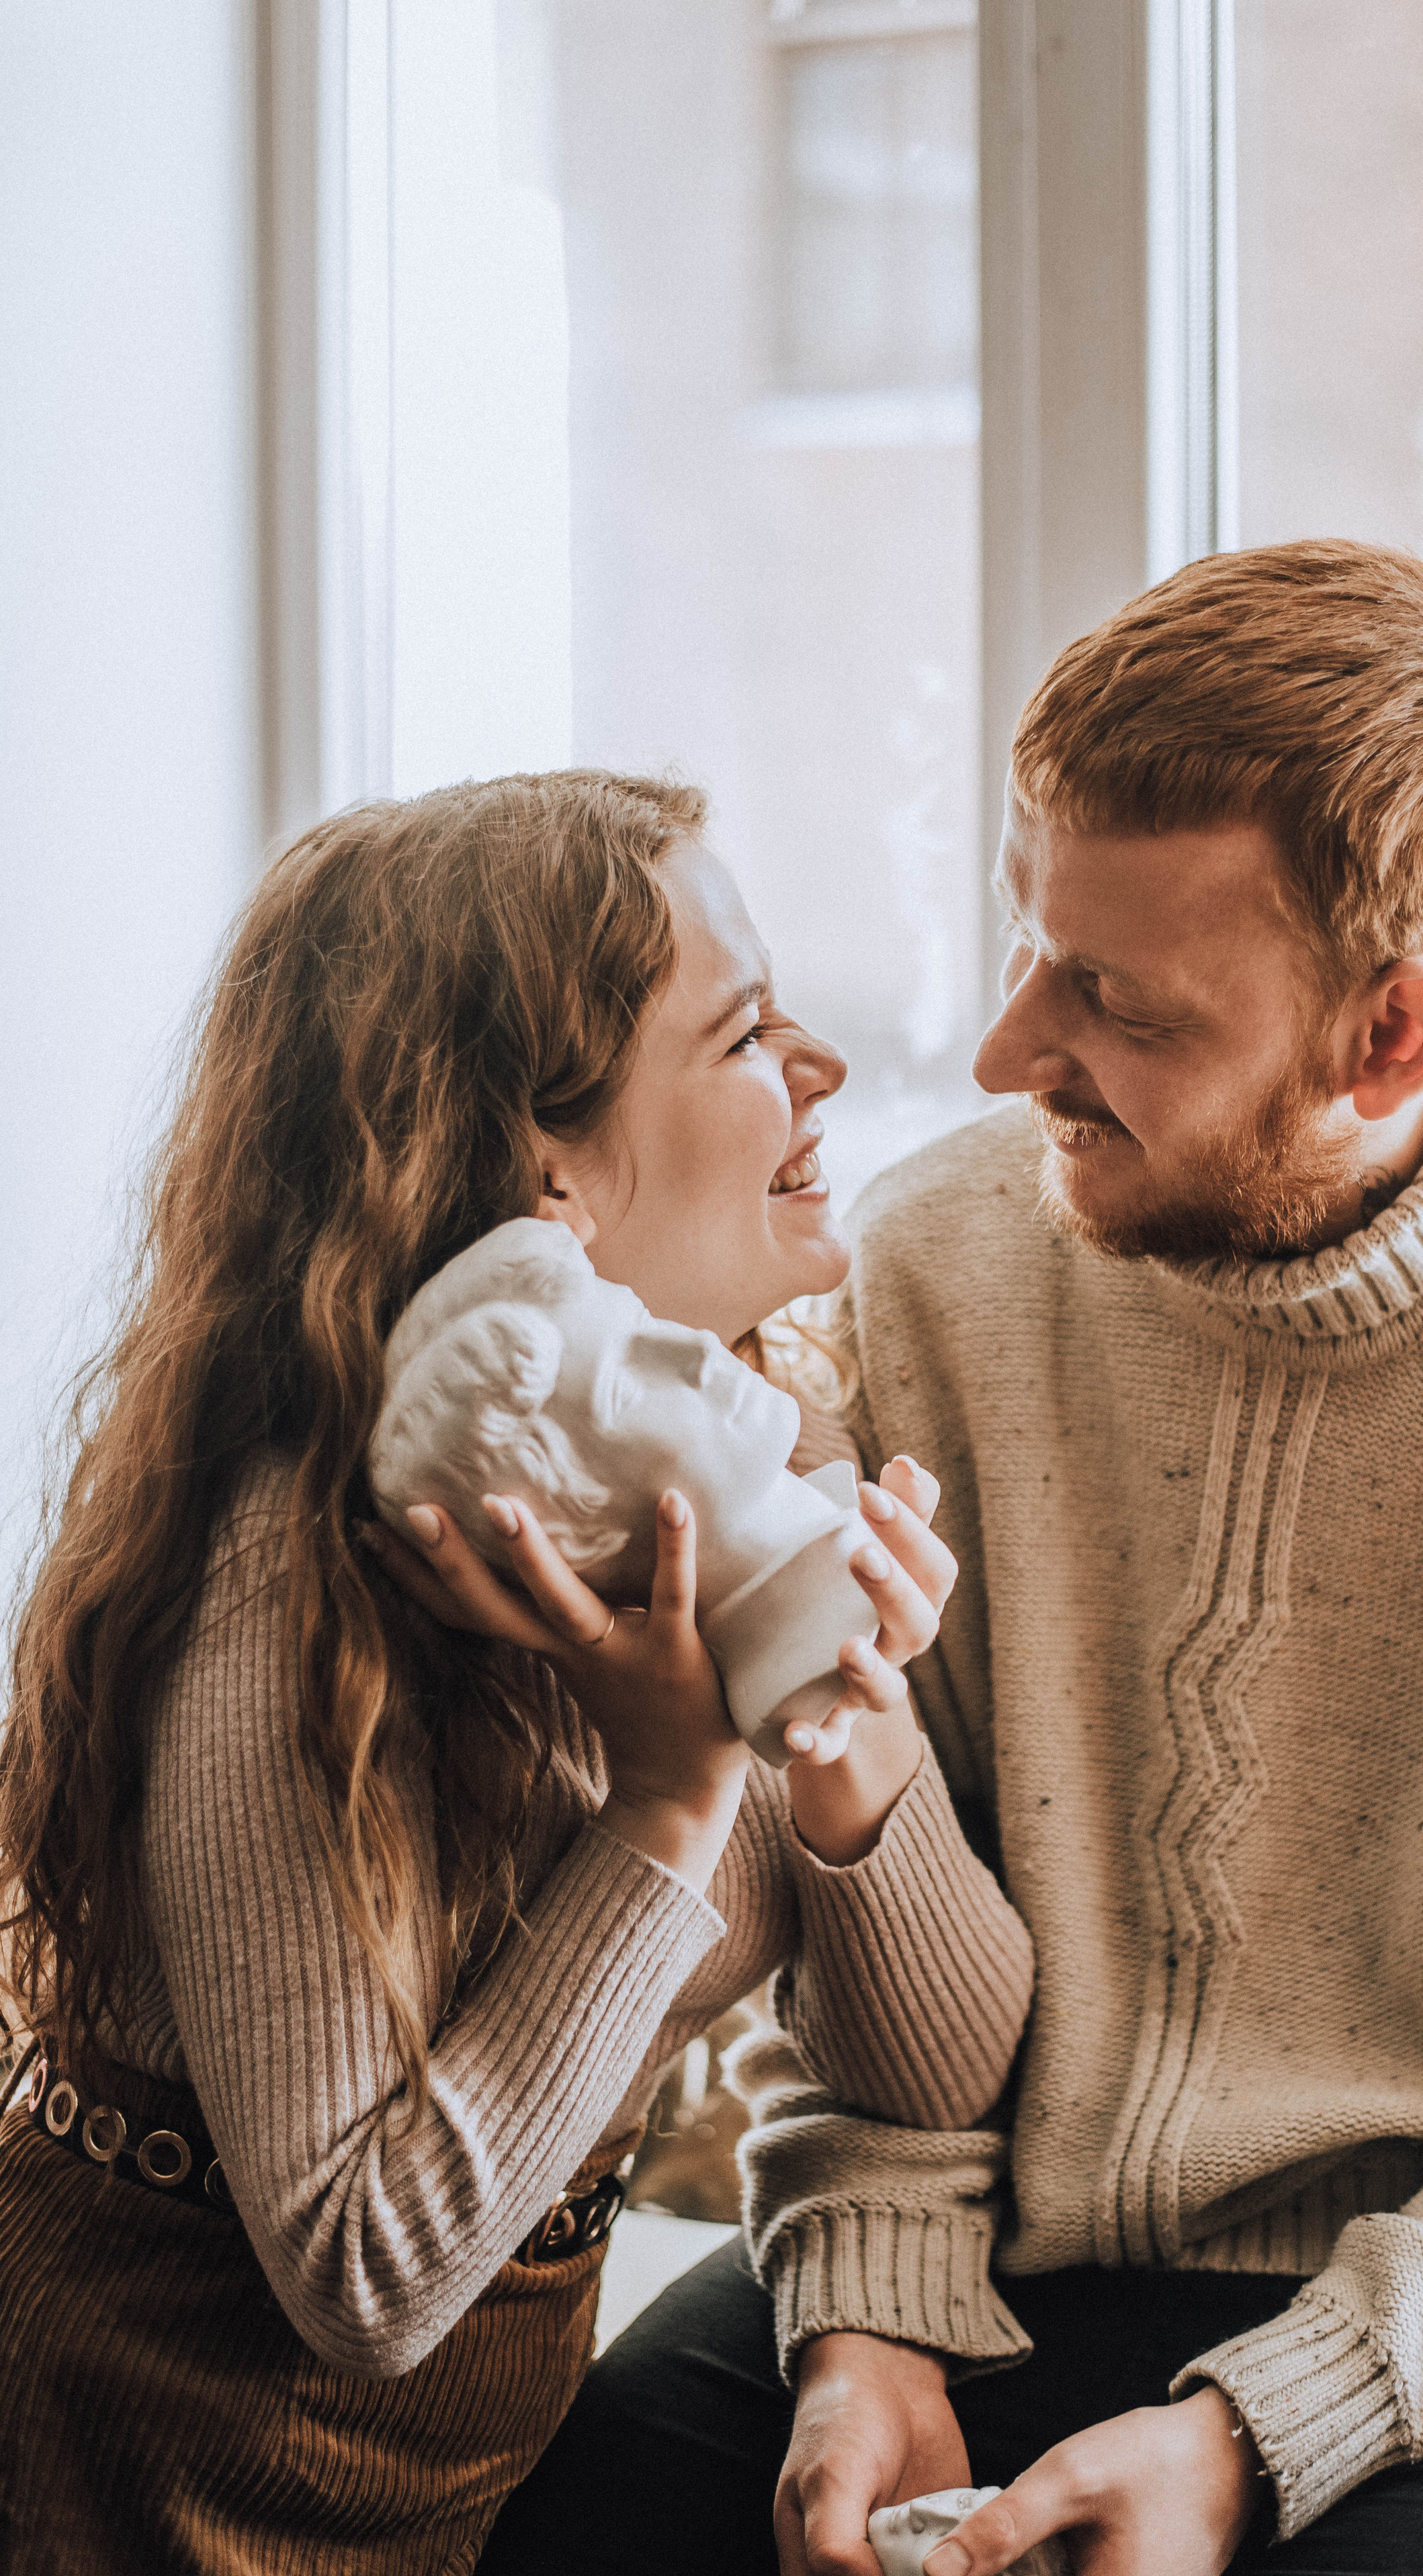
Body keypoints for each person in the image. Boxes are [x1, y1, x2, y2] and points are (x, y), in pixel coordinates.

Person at [539, 544, 1423, 2576]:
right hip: (965, 2258)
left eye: (1115, 999)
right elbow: (850, 1871)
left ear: (1389, 1030)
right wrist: (864, 2295)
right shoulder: (925, 1268)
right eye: (1028, 944)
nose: (1006, 1051)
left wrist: (1266, 2431)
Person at [0, 769, 1035, 2573]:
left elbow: (938, 2065)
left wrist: (845, 1728)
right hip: (135, 2481)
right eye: (742, 1031)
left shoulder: (735, 1470)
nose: (822, 1070)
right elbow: (366, 2269)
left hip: (460, 2497)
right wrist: (666, 1790)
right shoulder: (288, 1587)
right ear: (541, 1167)